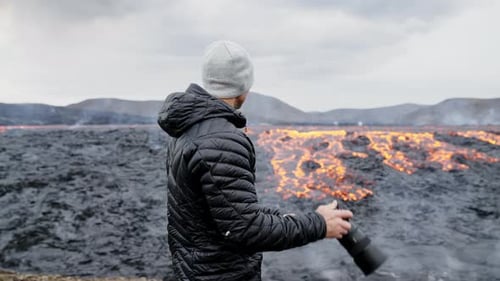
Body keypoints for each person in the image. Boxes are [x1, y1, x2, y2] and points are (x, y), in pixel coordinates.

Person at [157, 40, 353, 281]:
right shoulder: (222, 139)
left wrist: (289, 218)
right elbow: (246, 229)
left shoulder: (188, 129)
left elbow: (227, 211)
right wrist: (319, 225)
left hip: (196, 272)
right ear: (245, 85)